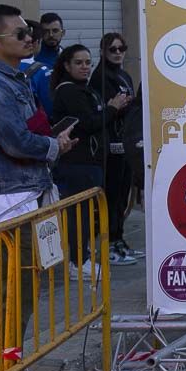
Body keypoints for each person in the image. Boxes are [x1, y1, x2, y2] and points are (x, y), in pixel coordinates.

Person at [0, 5, 77, 371]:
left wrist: (51, 144)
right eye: (21, 34)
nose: (31, 39)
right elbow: (15, 141)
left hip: (31, 193)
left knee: (25, 290)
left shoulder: (16, 78)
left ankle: (13, 365)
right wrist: (52, 146)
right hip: (10, 201)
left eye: (31, 32)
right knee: (10, 292)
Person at [50, 43, 134, 273]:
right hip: (77, 163)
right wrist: (112, 108)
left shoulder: (84, 89)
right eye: (78, 63)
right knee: (80, 214)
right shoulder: (68, 91)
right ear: (66, 65)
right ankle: (77, 261)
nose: (85, 67)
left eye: (88, 62)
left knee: (89, 212)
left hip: (92, 161)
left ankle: (83, 255)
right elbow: (87, 123)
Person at [89, 33, 142, 261]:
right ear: (102, 51)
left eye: (122, 48)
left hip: (126, 141)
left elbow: (128, 106)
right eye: (113, 49)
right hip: (110, 144)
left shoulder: (124, 75)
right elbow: (107, 110)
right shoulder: (101, 77)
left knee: (122, 196)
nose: (118, 52)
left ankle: (119, 239)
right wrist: (118, 106)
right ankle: (109, 244)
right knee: (111, 196)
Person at [30, 12, 64, 117]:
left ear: (63, 33)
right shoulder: (33, 58)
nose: (51, 35)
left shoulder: (66, 55)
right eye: (46, 31)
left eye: (55, 31)